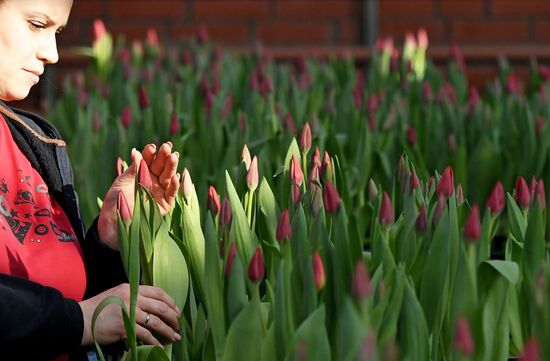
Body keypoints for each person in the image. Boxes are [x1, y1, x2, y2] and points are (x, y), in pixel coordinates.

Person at [0, 0, 182, 359]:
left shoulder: (37, 143)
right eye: (37, 24)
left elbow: (73, 305)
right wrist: (81, 320)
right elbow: (74, 319)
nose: (51, 53)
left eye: (58, 32)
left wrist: (109, 238)